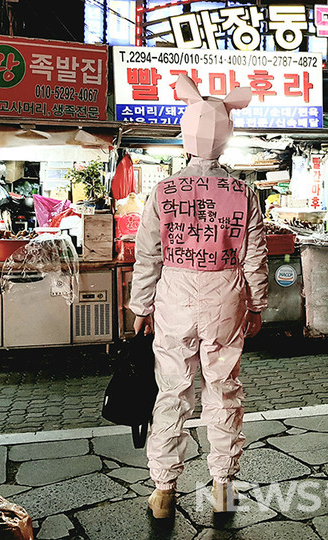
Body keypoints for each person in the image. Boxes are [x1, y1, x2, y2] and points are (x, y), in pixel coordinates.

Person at [130, 75, 269, 519]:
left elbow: (148, 253)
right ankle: (223, 487)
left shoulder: (164, 190)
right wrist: (257, 305)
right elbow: (255, 256)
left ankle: (163, 490)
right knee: (224, 390)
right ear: (227, 136)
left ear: (184, 134)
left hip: (174, 294)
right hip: (226, 295)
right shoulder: (243, 193)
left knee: (172, 390)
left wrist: (141, 305)